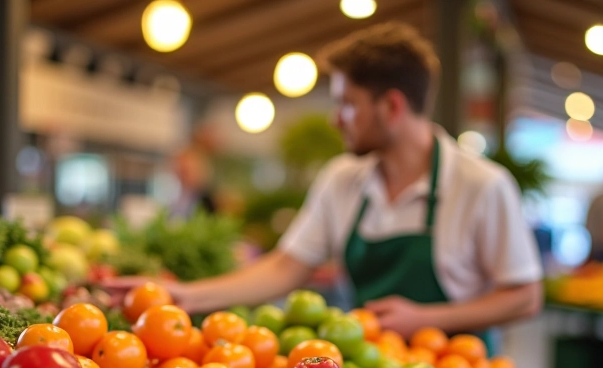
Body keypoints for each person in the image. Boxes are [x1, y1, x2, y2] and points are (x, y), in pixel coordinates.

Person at [107, 22, 542, 340]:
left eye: (347, 105)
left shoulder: (481, 185)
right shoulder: (342, 180)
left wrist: (427, 318)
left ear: (391, 106)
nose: (337, 120)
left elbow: (525, 295)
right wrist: (186, 295)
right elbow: (286, 266)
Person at [168, 147, 217, 220]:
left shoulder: (206, 200)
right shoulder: (178, 195)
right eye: (180, 170)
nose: (182, 175)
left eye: (185, 171)